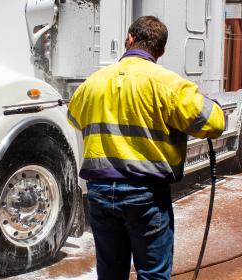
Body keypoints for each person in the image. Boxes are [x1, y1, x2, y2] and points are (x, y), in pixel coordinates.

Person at [67, 16, 224, 280]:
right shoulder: (168, 83)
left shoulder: (92, 83)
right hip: (146, 194)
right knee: (152, 274)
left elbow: (74, 117)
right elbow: (215, 122)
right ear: (161, 50)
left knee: (110, 274)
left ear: (129, 39)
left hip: (100, 194)